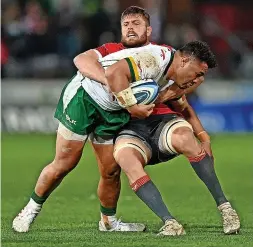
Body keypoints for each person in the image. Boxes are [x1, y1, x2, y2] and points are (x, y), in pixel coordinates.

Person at [12, 6, 208, 233]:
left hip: (114, 112)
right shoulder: (112, 50)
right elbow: (81, 60)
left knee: (111, 171)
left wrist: (170, 97)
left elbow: (192, 77)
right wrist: (111, 83)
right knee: (65, 162)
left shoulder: (162, 55)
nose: (130, 29)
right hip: (84, 101)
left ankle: (108, 222)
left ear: (149, 30)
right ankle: (30, 209)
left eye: (136, 24)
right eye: (126, 25)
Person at [112, 80, 240, 235]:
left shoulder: (160, 68)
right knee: (126, 158)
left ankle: (226, 208)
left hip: (163, 122)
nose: (199, 80)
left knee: (185, 138)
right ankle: (170, 223)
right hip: (129, 132)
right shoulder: (107, 73)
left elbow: (184, 106)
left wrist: (204, 137)